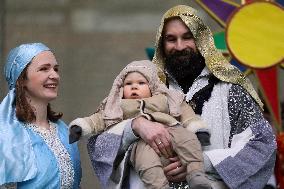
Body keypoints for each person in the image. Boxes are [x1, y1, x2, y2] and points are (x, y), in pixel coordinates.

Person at [87, 5, 276, 189]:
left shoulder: (230, 90)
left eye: (187, 37)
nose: (179, 46)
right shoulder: (140, 87)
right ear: (162, 44)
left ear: (201, 39)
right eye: (171, 39)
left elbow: (262, 146)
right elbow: (97, 144)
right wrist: (134, 127)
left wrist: (201, 162)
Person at [69, 60, 212, 189]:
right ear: (121, 88)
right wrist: (80, 127)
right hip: (139, 144)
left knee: (188, 139)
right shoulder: (116, 106)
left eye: (141, 83)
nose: (134, 87)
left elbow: (186, 114)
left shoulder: (165, 99)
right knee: (146, 161)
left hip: (170, 129)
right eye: (128, 84)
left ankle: (196, 174)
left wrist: (198, 129)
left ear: (152, 86)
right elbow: (97, 120)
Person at [0, 43, 81, 188]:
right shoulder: (7, 135)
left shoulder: (65, 131)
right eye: (44, 69)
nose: (54, 75)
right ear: (22, 79)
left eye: (56, 69)